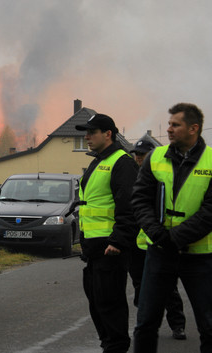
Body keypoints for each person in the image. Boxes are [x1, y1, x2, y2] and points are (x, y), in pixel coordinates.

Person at [133, 103, 212, 353]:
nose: (168, 129)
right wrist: (157, 234)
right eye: (169, 124)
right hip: (159, 252)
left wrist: (173, 238)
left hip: (200, 257)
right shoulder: (156, 157)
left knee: (209, 326)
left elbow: (209, 212)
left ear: (193, 128)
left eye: (175, 125)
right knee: (145, 323)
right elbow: (140, 198)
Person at [75, 113, 139, 353]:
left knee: (109, 303)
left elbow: (129, 206)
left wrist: (119, 241)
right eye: (86, 132)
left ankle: (116, 346)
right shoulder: (99, 160)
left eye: (92, 132)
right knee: (97, 301)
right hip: (94, 248)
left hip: (110, 248)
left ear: (108, 134)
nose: (87, 137)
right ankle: (109, 344)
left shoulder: (122, 162)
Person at [128, 138, 187, 341]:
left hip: (159, 242)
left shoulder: (160, 176)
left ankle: (177, 325)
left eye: (142, 154)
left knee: (168, 288)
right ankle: (145, 323)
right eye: (136, 154)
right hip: (137, 245)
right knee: (139, 287)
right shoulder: (132, 176)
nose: (138, 158)